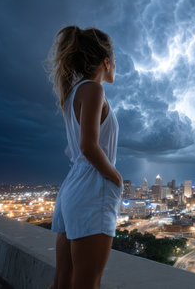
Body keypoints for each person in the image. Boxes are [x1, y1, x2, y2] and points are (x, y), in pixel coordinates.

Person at [44, 25, 123, 289]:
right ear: (106, 61)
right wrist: (116, 177)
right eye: (114, 62)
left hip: (73, 187)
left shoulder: (74, 92)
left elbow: (77, 149)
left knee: (62, 281)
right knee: (88, 282)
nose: (115, 68)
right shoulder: (93, 89)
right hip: (92, 186)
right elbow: (88, 146)